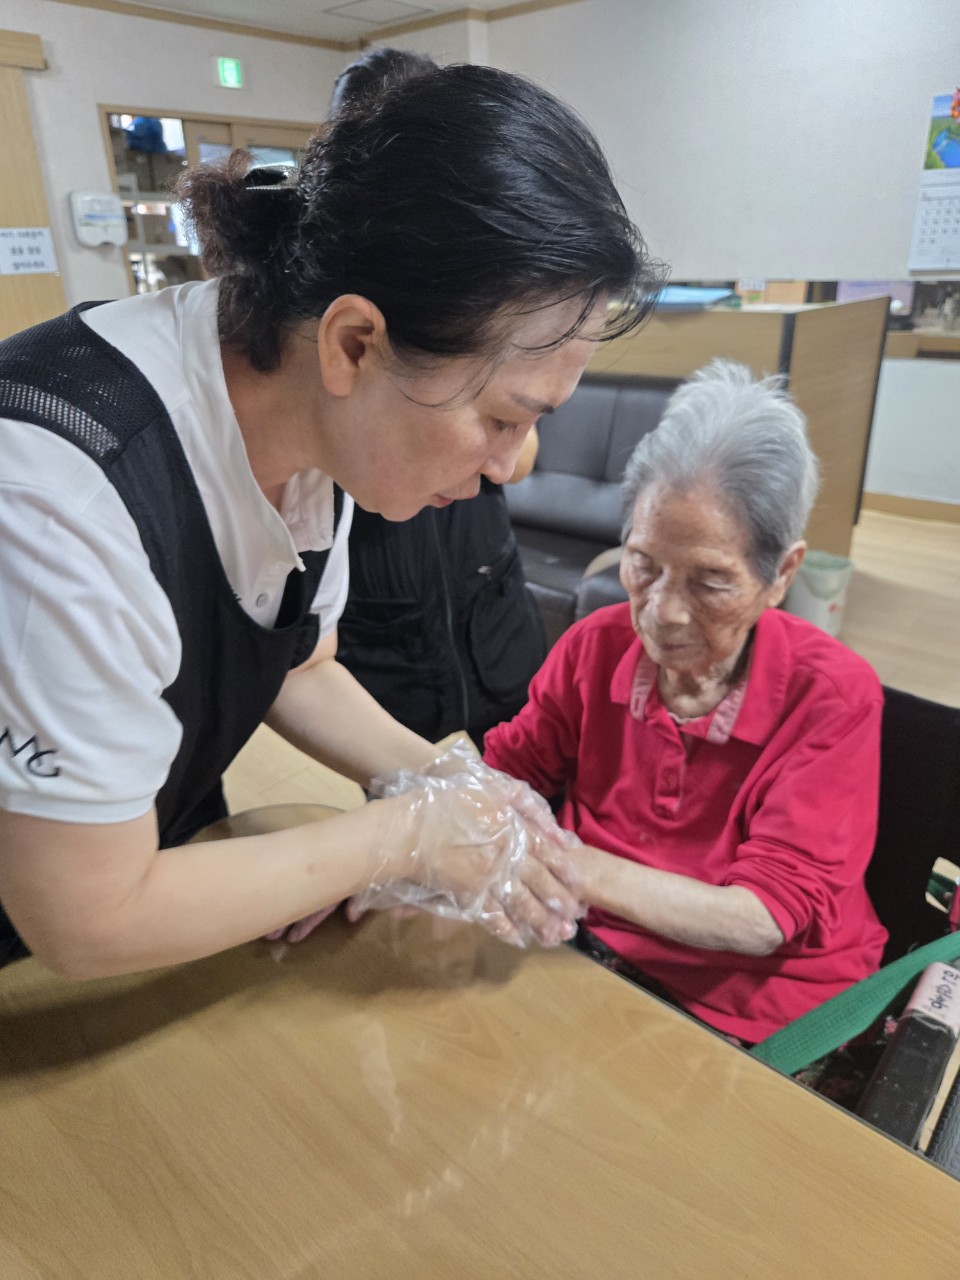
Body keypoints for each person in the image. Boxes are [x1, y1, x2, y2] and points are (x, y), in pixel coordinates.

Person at [0, 65, 662, 977]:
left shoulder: (309, 411)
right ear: (354, 343)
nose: (507, 466)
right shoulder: (59, 497)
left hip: (149, 854)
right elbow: (85, 920)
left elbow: (298, 661)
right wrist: (400, 837)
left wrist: (448, 783)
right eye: (502, 418)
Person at [484, 361, 887, 1044]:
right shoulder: (594, 647)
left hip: (750, 1003)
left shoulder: (831, 695)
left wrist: (567, 865)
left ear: (781, 574)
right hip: (583, 946)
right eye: (644, 564)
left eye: (710, 581)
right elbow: (508, 770)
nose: (663, 613)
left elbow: (762, 918)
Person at [330, 49, 547, 747]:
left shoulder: (494, 281)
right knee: (402, 775)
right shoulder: (332, 303)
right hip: (386, 626)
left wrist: (491, 429)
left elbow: (520, 459)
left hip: (488, 601)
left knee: (523, 766)